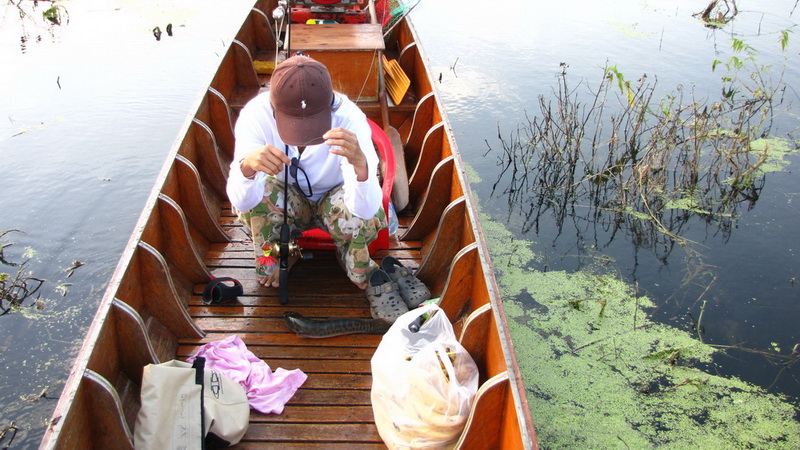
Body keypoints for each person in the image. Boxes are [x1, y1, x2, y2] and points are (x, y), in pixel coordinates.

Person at [226, 54, 386, 290]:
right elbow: (242, 201)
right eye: (292, 123)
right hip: (287, 198)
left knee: (365, 211)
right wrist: (247, 168)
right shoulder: (255, 115)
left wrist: (361, 167)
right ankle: (284, 252)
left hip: (335, 198)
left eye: (312, 122)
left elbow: (368, 209)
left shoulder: (350, 118)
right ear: (273, 105)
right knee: (255, 199)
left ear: (330, 104)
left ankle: (347, 256)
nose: (303, 135)